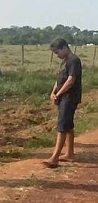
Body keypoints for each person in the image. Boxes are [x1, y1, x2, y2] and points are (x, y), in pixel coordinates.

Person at [42, 38, 82, 168]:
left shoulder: (74, 61)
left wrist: (58, 94)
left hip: (70, 97)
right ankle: (69, 153)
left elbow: (71, 80)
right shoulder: (64, 62)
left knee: (62, 126)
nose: (56, 55)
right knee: (68, 125)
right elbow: (59, 79)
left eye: (57, 52)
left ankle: (55, 157)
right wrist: (53, 92)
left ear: (65, 48)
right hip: (62, 97)